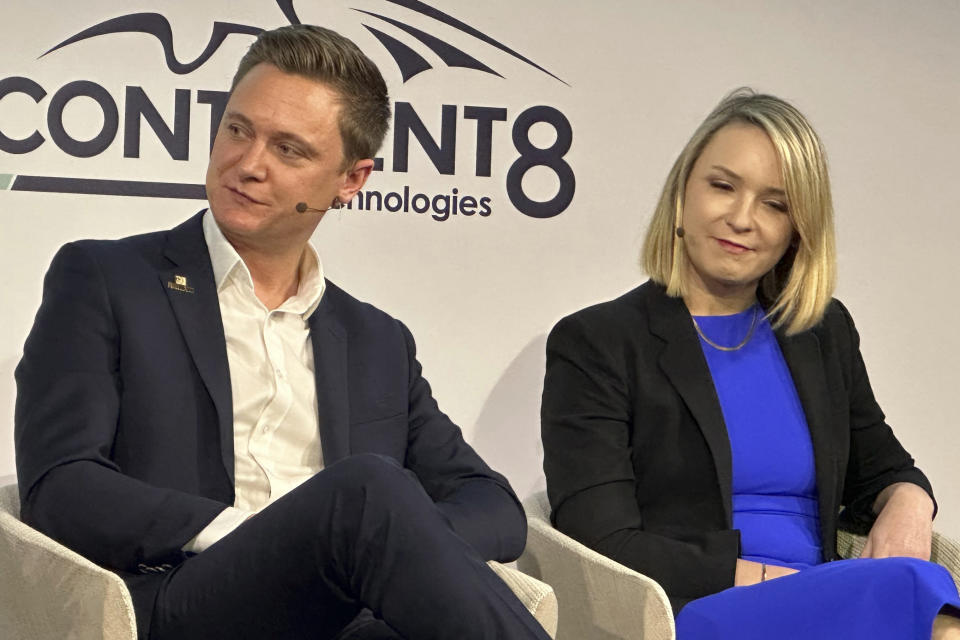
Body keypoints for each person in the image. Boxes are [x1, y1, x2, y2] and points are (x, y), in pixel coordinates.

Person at [14, 25, 552, 640]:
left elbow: (493, 507)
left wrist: (375, 545)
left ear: (351, 180)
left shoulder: (376, 340)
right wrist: (263, 529)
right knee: (368, 489)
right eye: (238, 129)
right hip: (185, 597)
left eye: (289, 150)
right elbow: (59, 485)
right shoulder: (108, 280)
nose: (248, 164)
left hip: (343, 610)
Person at [540, 88, 960, 639]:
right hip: (698, 608)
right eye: (723, 186)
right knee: (925, 614)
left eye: (775, 204)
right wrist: (770, 580)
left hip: (830, 599)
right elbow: (601, 540)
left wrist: (910, 500)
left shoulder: (822, 331)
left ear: (797, 230)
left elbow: (881, 468)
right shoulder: (598, 342)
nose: (742, 219)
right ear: (682, 194)